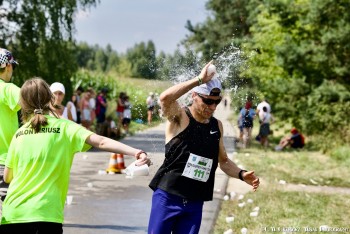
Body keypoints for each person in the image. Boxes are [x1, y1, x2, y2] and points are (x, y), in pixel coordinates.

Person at [0, 78, 151, 233]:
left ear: (23, 103)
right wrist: (136, 152)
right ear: (50, 98)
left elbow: (8, 177)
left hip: (13, 214)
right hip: (45, 214)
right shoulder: (64, 127)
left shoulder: (19, 134)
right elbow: (101, 141)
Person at [148, 61, 260, 234]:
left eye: (217, 101)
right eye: (208, 101)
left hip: (195, 202)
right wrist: (199, 80)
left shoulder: (217, 126)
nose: (213, 107)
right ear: (194, 96)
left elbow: (223, 162)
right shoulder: (180, 117)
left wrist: (241, 174)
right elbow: (165, 98)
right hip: (168, 198)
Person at [0, 48, 20, 215]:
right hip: (5, 162)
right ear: (7, 66)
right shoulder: (7, 89)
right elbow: (32, 99)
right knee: (9, 216)